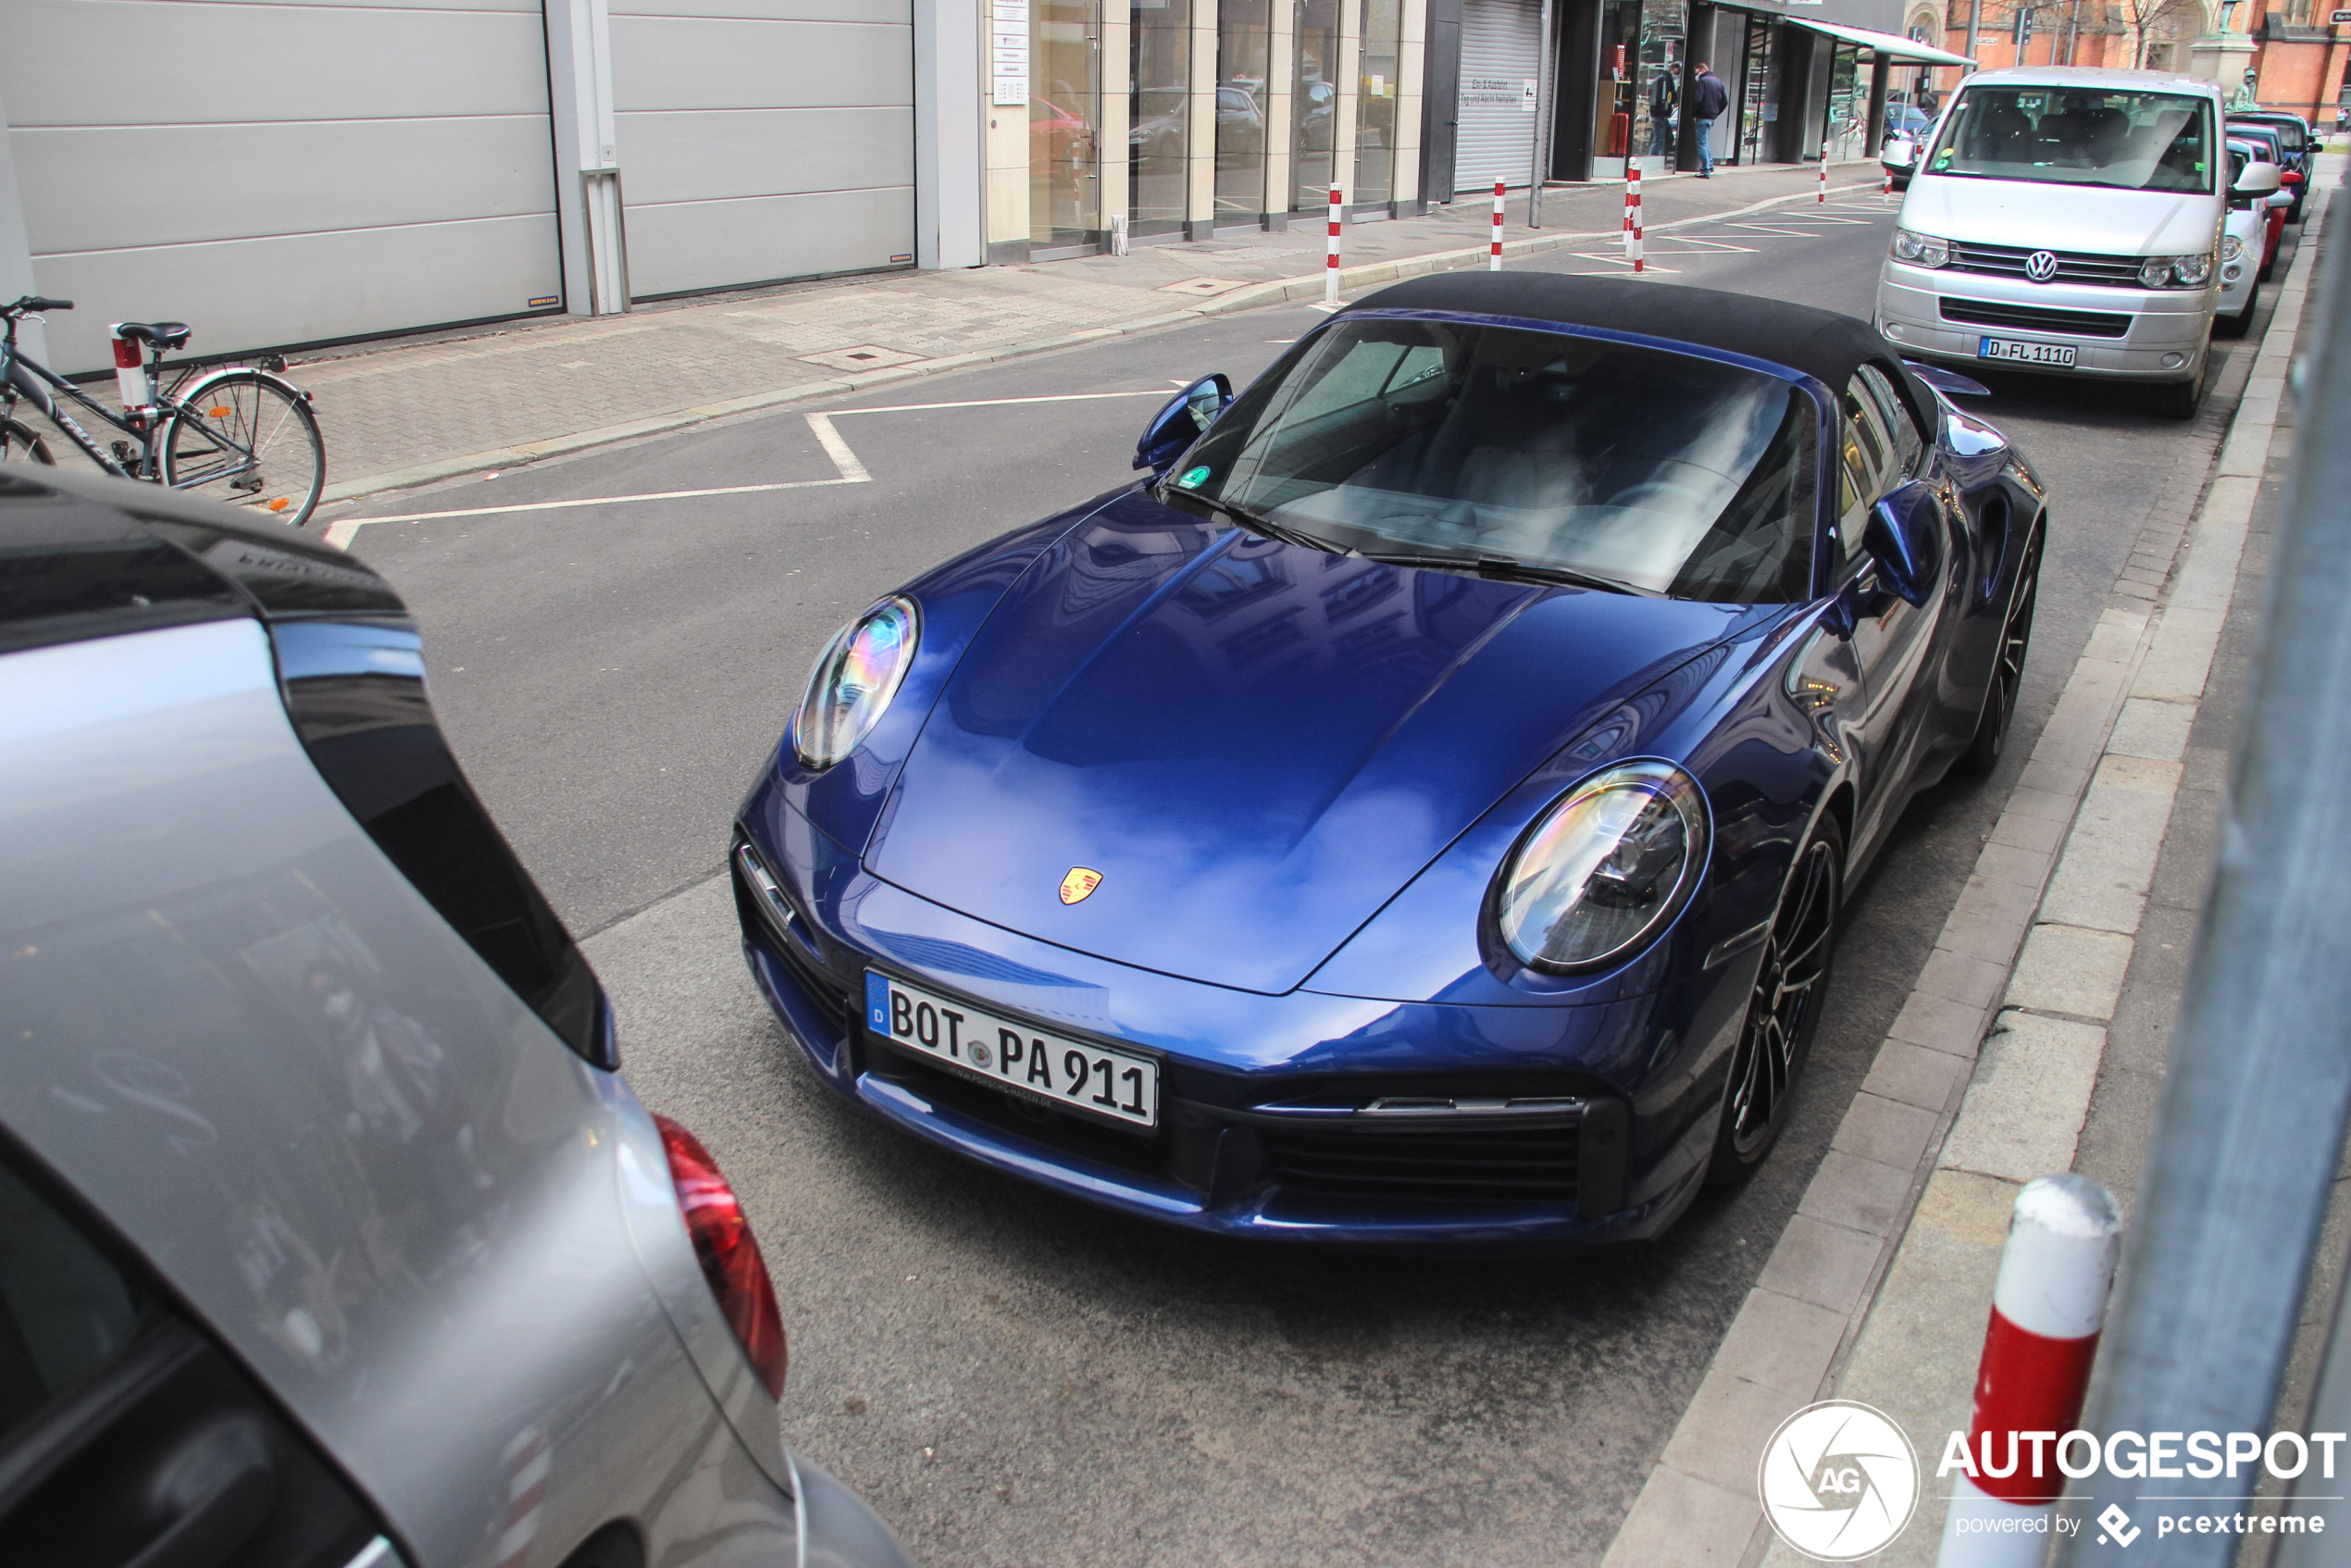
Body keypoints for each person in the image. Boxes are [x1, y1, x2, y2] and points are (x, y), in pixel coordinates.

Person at [1688, 61, 1730, 177]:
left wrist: (1695, 114)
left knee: (1701, 142)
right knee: (1705, 141)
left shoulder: (1703, 81)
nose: (1696, 75)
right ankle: (1710, 165)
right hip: (1712, 116)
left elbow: (1697, 100)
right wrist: (1716, 112)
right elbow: (1724, 101)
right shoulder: (1718, 82)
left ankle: (1705, 169)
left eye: (1697, 72)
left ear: (1701, 70)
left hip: (1703, 115)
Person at [1648, 65, 1679, 160]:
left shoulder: (1666, 79)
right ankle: (1653, 160)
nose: (1677, 75)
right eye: (1676, 72)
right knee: (1659, 139)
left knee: (1667, 137)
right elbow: (1663, 98)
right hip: (1660, 114)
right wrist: (1664, 112)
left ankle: (1659, 159)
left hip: (1660, 113)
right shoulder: (1665, 80)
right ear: (1671, 69)